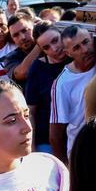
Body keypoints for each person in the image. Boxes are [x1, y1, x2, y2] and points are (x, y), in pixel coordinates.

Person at [49, 25, 96, 163]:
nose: (85, 50)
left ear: (92, 39)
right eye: (76, 48)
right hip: (82, 155)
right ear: (68, 53)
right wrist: (66, 169)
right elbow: (55, 135)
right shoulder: (62, 83)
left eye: (86, 42)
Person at [24, 22, 66, 152]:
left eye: (55, 41)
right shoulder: (37, 68)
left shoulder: (77, 58)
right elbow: (31, 111)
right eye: (46, 47)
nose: (54, 49)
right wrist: (32, 148)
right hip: (46, 139)